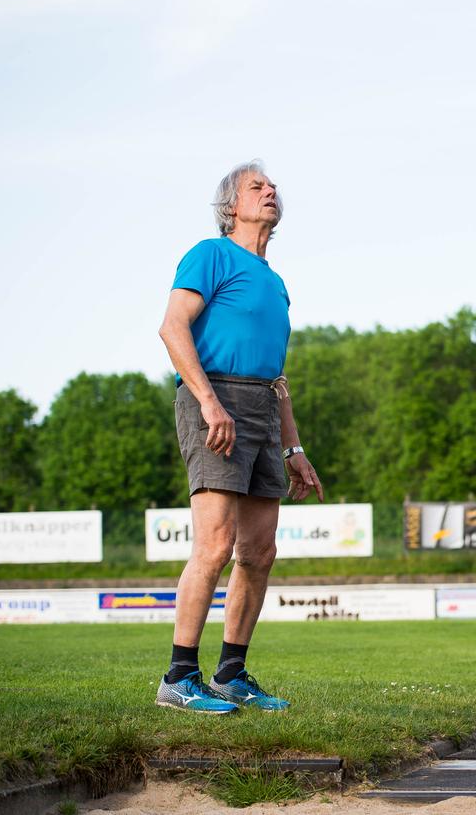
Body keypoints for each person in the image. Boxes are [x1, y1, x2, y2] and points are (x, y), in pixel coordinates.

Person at [155, 160, 323, 714]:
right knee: (216, 543)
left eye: (274, 186)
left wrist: (294, 448)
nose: (271, 191)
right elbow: (172, 326)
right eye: (258, 186)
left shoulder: (276, 283)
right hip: (215, 398)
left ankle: (231, 673)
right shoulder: (210, 254)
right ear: (231, 207)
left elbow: (278, 378)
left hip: (262, 406)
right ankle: (179, 677)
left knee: (259, 550)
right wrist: (207, 402)